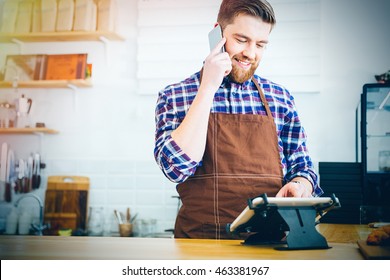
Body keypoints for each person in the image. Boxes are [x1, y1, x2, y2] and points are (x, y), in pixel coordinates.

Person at [154, 0, 323, 239]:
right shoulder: (175, 96)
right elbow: (176, 169)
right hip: (200, 247)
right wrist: (207, 88)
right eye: (242, 40)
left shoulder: (280, 98)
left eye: (261, 44)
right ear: (218, 33)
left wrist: (300, 185)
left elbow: (302, 167)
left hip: (271, 245)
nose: (250, 53)